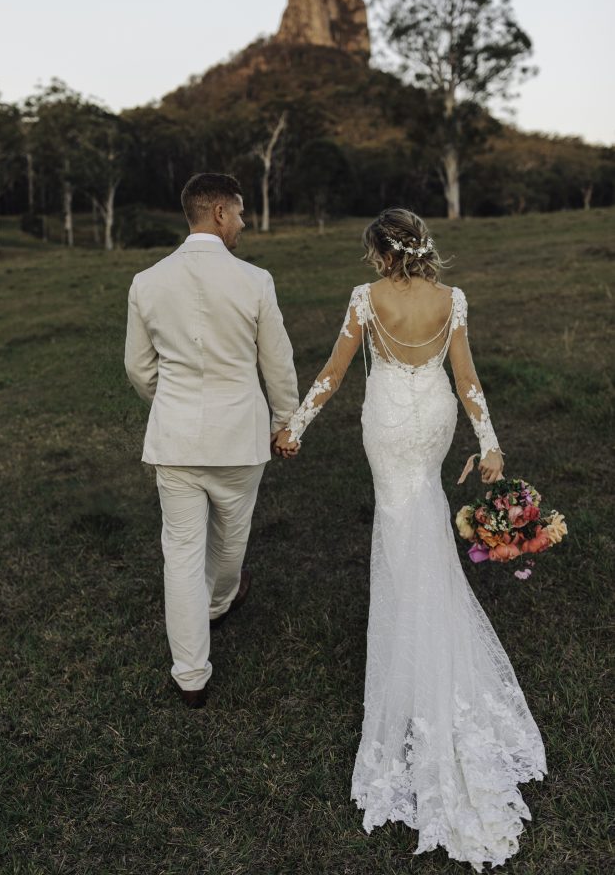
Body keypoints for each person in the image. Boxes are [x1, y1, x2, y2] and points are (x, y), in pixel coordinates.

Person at [274, 208, 546, 872]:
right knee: (421, 506)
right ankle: (427, 623)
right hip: (435, 419)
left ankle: (409, 635)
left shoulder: (364, 300)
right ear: (420, 247)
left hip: (387, 420)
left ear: (378, 251)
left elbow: (335, 372)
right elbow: (466, 376)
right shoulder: (450, 300)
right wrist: (489, 444)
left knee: (400, 517)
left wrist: (295, 427)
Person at [124, 173, 298, 709]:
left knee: (179, 553)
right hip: (238, 437)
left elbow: (136, 366)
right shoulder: (255, 280)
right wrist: (284, 419)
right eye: (241, 213)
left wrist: (171, 402)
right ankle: (221, 602)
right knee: (230, 540)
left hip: (174, 439)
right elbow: (277, 361)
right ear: (219, 213)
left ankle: (191, 676)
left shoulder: (147, 281)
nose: (244, 223)